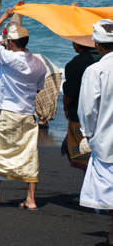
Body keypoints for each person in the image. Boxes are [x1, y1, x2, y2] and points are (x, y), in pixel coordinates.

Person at [0, 7, 46, 210]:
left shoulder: (8, 57)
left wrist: (5, 15)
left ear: (11, 42)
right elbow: (38, 90)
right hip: (28, 114)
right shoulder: (40, 64)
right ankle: (30, 199)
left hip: (9, 112)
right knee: (30, 153)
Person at [78, 19, 113, 245]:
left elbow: (87, 109)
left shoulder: (95, 70)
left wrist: (87, 133)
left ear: (97, 45)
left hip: (106, 142)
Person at [62, 42, 100, 171]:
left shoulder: (76, 63)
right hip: (105, 116)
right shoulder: (104, 60)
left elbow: (69, 93)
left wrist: (66, 108)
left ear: (78, 44)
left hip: (81, 116)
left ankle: (90, 186)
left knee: (85, 155)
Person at [32, 53, 62, 128]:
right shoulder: (34, 56)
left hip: (48, 75)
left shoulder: (26, 58)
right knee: (44, 101)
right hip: (54, 74)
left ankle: (43, 122)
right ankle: (43, 121)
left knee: (40, 100)